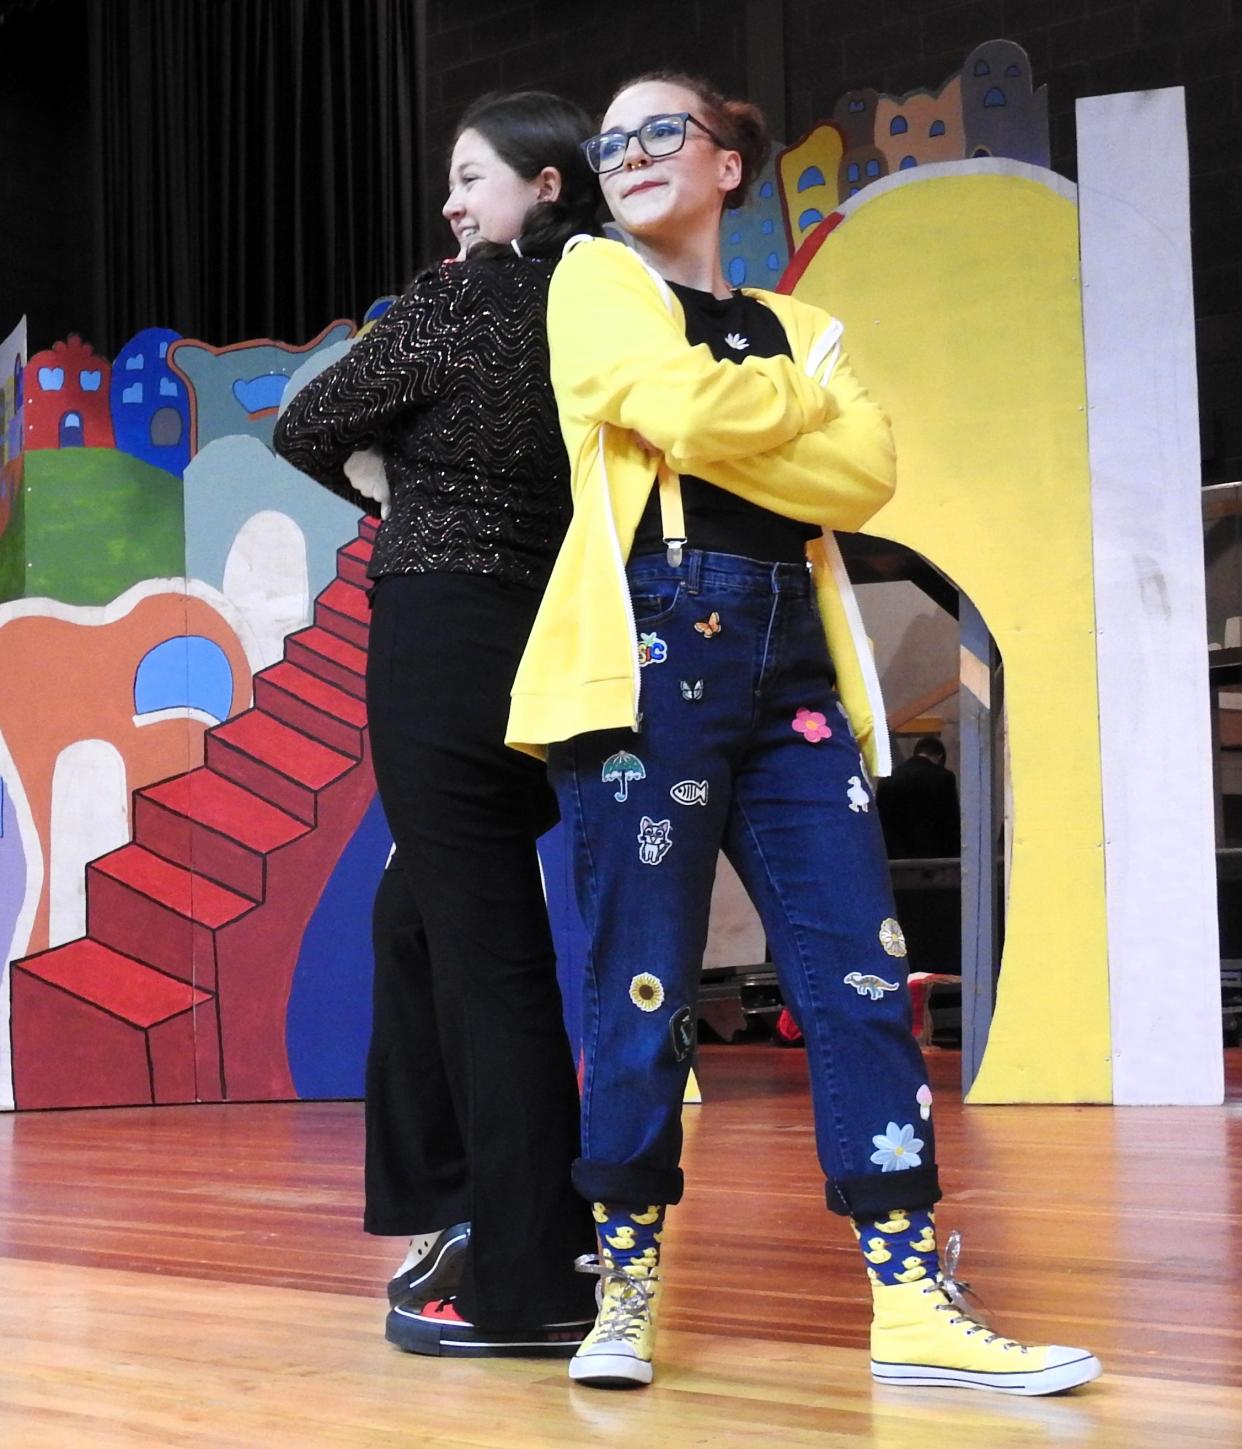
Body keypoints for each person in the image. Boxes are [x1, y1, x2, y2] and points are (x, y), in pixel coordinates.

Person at [507, 71, 1101, 1396]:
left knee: (860, 974)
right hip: (646, 660)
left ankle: (909, 1299)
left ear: (729, 163)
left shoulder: (803, 320)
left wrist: (708, 410)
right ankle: (623, 1288)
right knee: (641, 981)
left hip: (795, 672)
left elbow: (861, 474)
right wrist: (775, 413)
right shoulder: (596, 281)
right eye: (610, 141)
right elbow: (675, 409)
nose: (629, 154)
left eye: (661, 130)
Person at [273, 90, 602, 1358]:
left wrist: (395, 481)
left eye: (477, 178)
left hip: (445, 634)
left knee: (483, 953)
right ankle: (457, 1209)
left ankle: (533, 1278)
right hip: (543, 636)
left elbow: (310, 421)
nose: (455, 205)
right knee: (415, 919)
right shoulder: (597, 307)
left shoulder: (462, 300)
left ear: (549, 185)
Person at [878, 735, 960, 859]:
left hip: (896, 861)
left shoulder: (887, 780)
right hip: (935, 860)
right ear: (940, 757)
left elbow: (881, 824)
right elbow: (951, 822)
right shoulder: (944, 777)